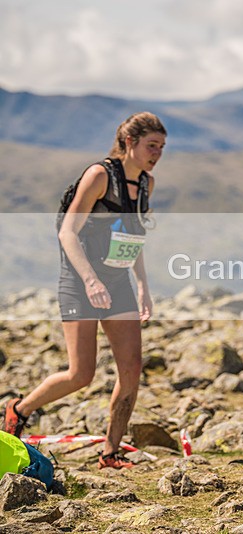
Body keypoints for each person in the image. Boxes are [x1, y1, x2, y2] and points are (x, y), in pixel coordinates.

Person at [2, 112, 167, 469]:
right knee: (82, 374)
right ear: (129, 143)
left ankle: (110, 452)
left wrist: (143, 286)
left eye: (162, 147)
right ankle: (19, 409)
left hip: (118, 282)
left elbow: (133, 238)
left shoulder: (147, 185)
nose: (157, 153)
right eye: (151, 145)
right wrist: (91, 280)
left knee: (132, 367)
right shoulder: (99, 176)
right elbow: (67, 233)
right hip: (80, 281)